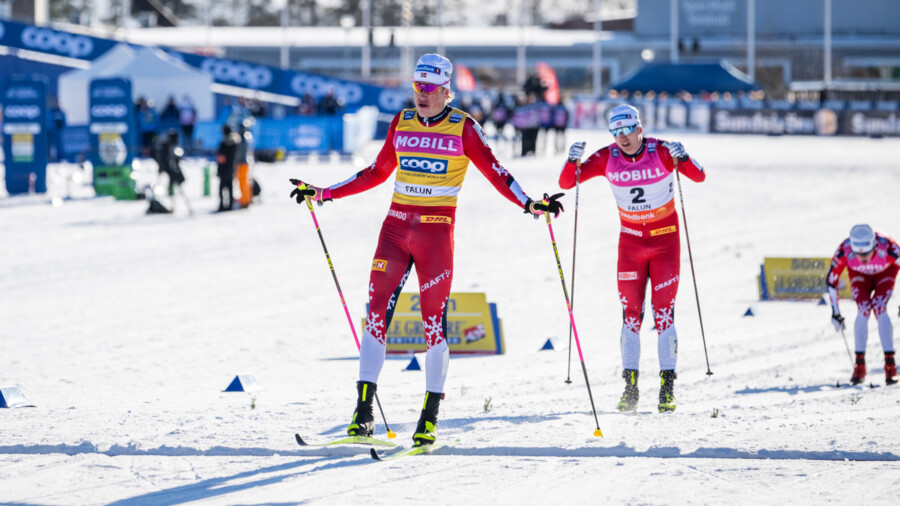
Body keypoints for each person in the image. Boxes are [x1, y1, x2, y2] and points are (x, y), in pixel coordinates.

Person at [289, 53, 563, 447]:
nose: (422, 95)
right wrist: (325, 192)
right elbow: (376, 172)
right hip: (396, 230)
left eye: (430, 89)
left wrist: (530, 203)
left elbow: (497, 172)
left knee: (433, 325)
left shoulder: (464, 128)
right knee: (376, 314)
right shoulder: (401, 122)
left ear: (447, 91)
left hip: (436, 234)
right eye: (417, 87)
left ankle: (429, 417)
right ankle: (363, 412)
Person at [558, 104, 706, 413]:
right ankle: (631, 389)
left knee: (663, 314)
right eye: (615, 132)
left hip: (666, 242)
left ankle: (667, 389)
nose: (622, 138)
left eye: (627, 130)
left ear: (639, 128)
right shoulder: (606, 158)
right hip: (631, 245)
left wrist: (683, 156)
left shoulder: (661, 151)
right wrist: (572, 160)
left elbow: (699, 176)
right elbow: (566, 183)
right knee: (630, 316)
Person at [826, 224, 900, 385]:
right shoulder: (844, 250)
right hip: (860, 275)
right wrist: (835, 312)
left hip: (885, 272)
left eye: (867, 253)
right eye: (858, 254)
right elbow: (831, 281)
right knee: (864, 308)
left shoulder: (888, 246)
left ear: (874, 246)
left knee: (879, 306)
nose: (864, 258)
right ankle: (860, 364)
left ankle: (890, 365)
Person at [215, 124, 240, 212]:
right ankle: (230, 205)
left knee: (222, 188)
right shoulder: (235, 143)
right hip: (232, 167)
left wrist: (218, 169)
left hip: (224, 168)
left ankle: (222, 205)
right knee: (230, 187)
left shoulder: (224, 144)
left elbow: (221, 158)